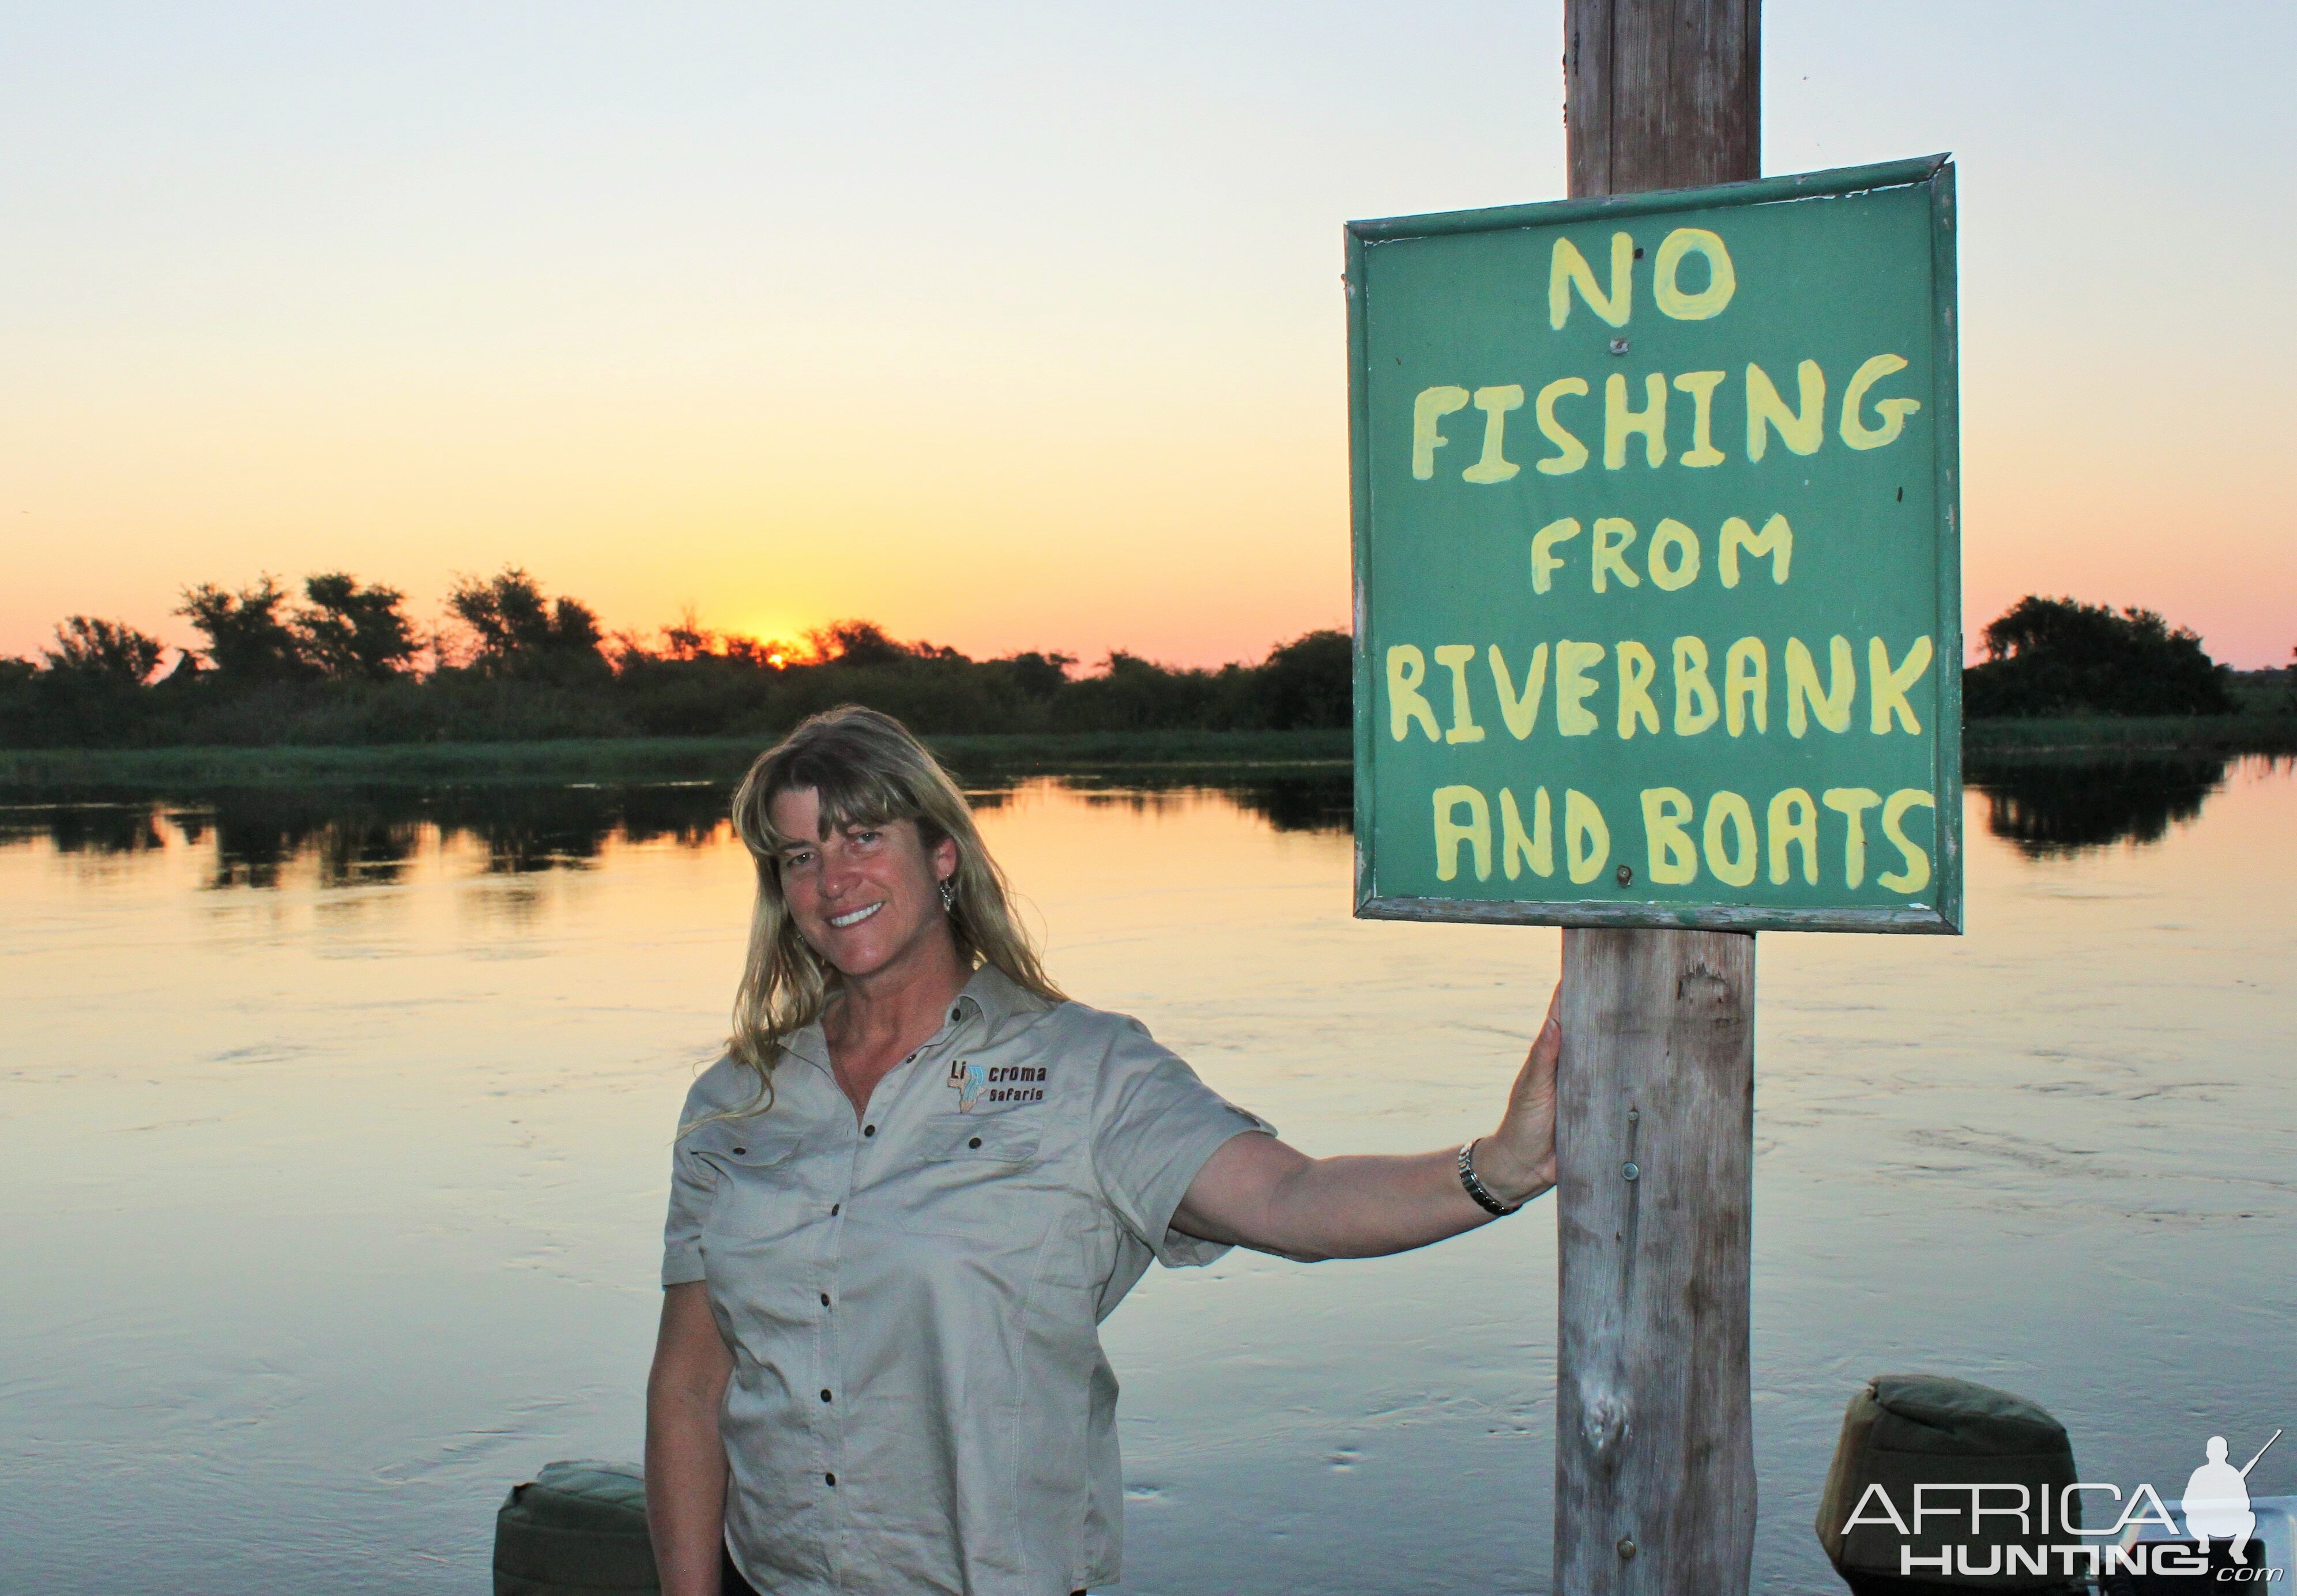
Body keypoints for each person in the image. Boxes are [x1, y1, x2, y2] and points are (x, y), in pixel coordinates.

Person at [645, 706, 1561, 1596]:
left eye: (862, 837)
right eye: (801, 856)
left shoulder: (1085, 1068)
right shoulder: (738, 1101)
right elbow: (690, 1385)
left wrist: (1498, 1168)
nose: (833, 879)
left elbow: (1292, 1199)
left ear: (943, 854)